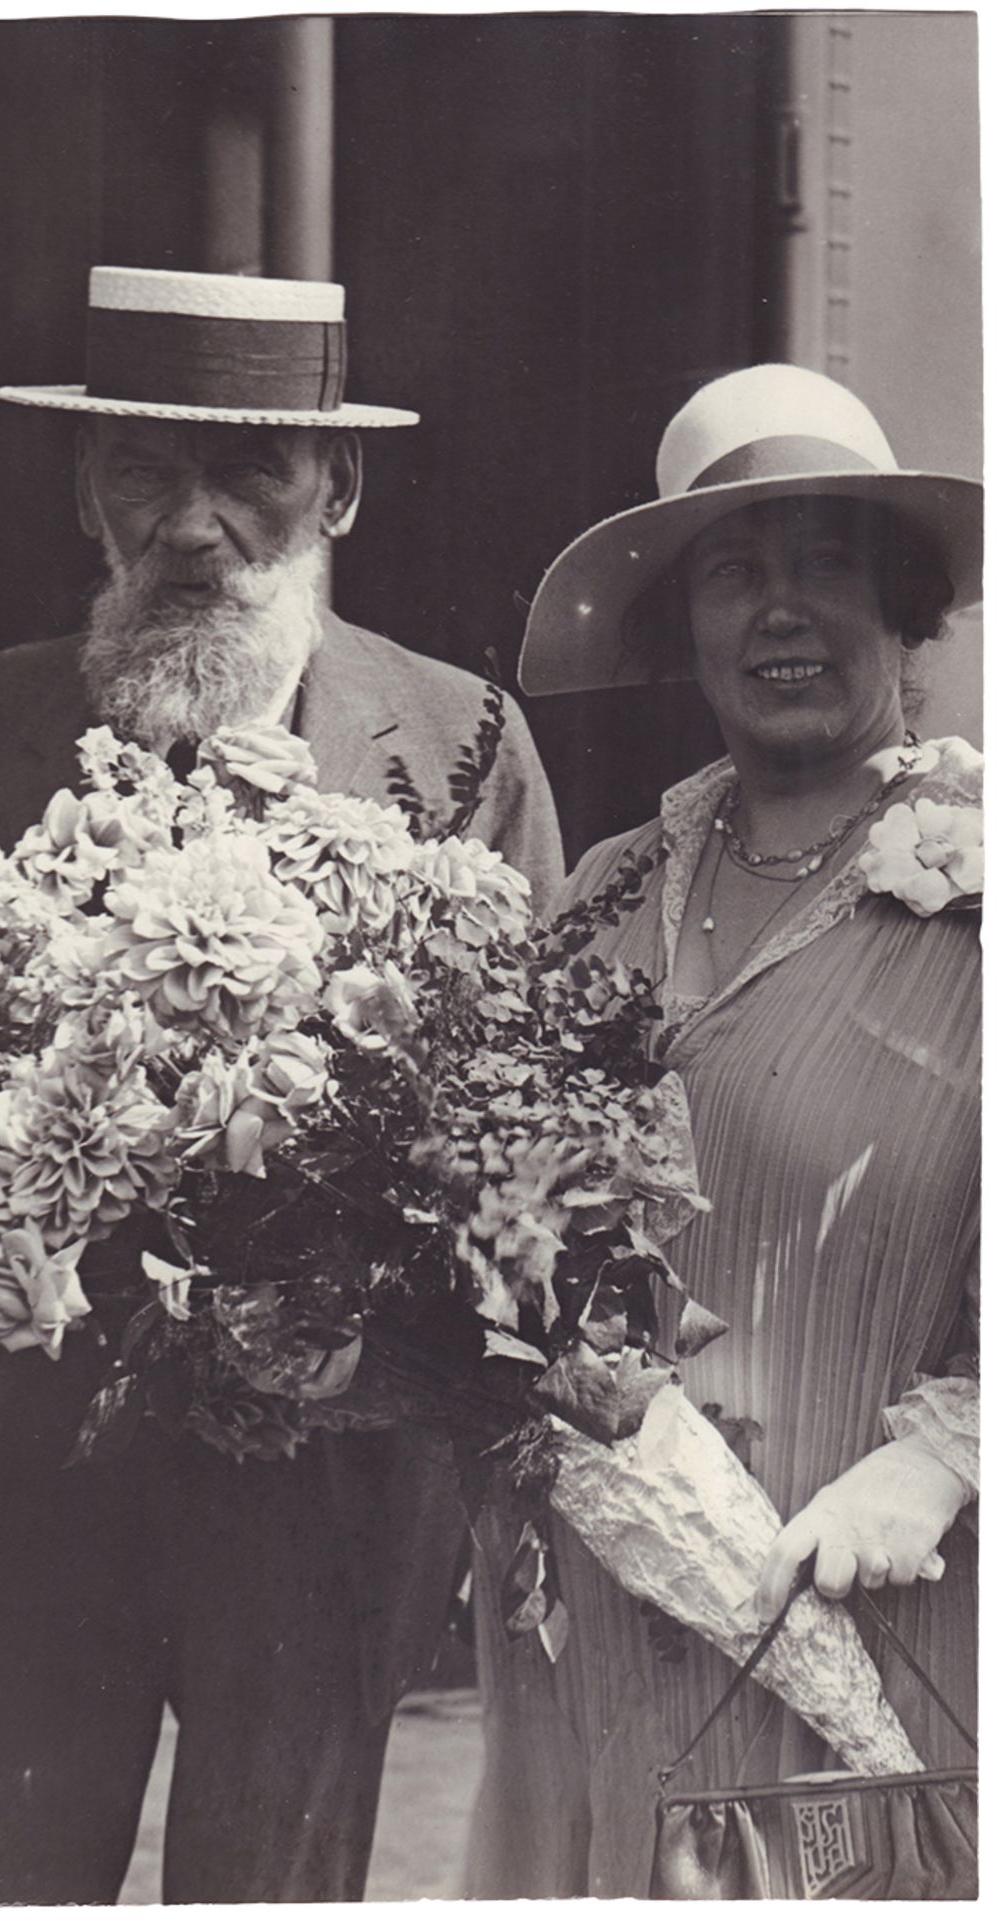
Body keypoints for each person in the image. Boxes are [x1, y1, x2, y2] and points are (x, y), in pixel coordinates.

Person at [0, 264, 564, 1904]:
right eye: (145, 470)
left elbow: (526, 1134)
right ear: (89, 492)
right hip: (17, 1489)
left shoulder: (458, 743)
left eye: (250, 470)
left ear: (339, 489)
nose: (193, 523)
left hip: (312, 1500)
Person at [468, 363, 981, 1897]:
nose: (781, 611)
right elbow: (502, 1216)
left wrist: (950, 1459)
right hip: (611, 1589)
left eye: (828, 563)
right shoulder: (608, 893)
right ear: (678, 628)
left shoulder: (981, 899)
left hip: (874, 1573)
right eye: (735, 574)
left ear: (902, 607)